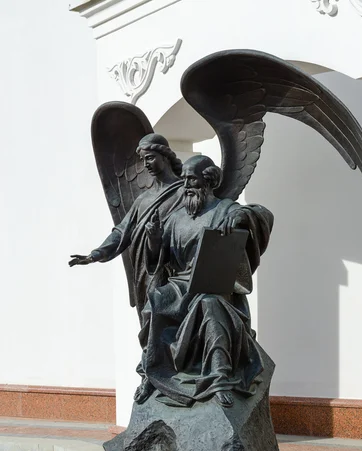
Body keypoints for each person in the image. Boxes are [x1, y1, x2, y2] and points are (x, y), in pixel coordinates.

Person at [136, 155, 274, 408]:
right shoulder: (176, 217)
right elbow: (159, 260)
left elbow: (262, 215)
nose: (186, 185)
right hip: (181, 285)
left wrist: (244, 216)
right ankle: (153, 373)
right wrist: (154, 240)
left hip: (213, 285)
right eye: (184, 179)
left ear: (207, 180)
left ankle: (218, 378)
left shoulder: (225, 210)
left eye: (191, 179)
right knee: (154, 302)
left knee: (210, 305)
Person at [69, 134, 184, 320]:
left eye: (150, 158)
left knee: (163, 319)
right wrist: (95, 255)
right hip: (148, 270)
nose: (146, 164)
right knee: (151, 321)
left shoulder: (184, 193)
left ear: (165, 156)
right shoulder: (143, 200)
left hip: (178, 268)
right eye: (143, 160)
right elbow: (122, 231)